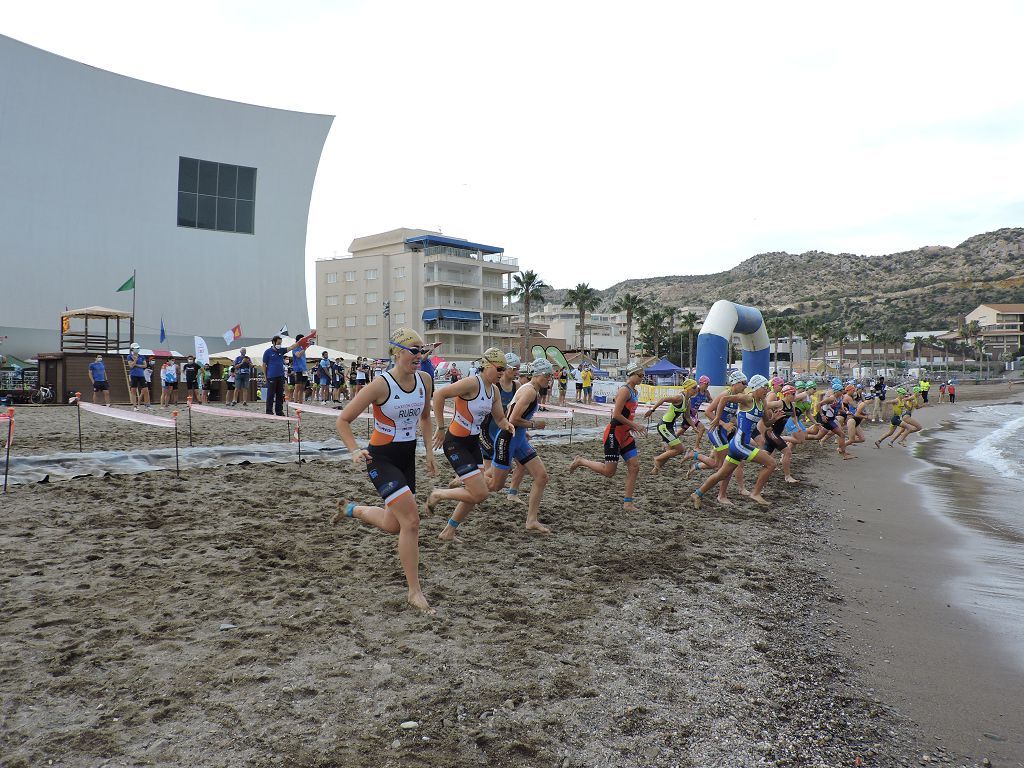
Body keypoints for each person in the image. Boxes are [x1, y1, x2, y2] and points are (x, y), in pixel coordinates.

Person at [333, 328, 437, 614]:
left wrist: (428, 452)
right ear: (397, 352)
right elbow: (343, 420)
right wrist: (354, 449)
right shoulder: (381, 385)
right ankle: (414, 591)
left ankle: (351, 510)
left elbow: (426, 418)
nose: (419, 356)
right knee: (412, 522)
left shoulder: (425, 380)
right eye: (413, 350)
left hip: (407, 457)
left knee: (395, 525)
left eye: (422, 350)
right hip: (380, 458)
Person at [424, 348, 514, 542]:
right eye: (499, 368)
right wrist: (440, 427)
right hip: (455, 443)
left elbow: (499, 418)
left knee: (476, 493)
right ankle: (438, 494)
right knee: (479, 493)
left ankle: (448, 531)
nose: (502, 372)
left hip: (473, 443)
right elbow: (438, 395)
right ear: (487, 365)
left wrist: (507, 425)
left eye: (504, 369)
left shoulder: (494, 390)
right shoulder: (472, 383)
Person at [690, 374, 781, 509]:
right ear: (756, 387)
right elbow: (724, 399)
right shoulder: (747, 398)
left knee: (722, 473)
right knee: (771, 463)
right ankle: (755, 493)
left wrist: (774, 419)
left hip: (737, 445)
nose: (767, 390)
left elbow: (766, 422)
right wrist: (718, 420)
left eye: (768, 388)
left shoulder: (763, 402)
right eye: (765, 387)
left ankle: (697, 493)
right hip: (739, 444)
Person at [568, 363, 646, 512]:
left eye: (643, 375)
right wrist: (634, 425)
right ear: (632, 374)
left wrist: (630, 426)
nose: (642, 378)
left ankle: (627, 503)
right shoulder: (624, 390)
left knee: (634, 467)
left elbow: (627, 413)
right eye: (640, 375)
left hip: (625, 434)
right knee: (609, 472)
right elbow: (616, 415)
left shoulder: (634, 391)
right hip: (614, 433)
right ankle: (580, 461)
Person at [489, 358, 554, 534]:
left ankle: (531, 520)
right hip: (508, 439)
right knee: (495, 486)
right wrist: (534, 425)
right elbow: (512, 419)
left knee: (541, 477)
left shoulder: (530, 389)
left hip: (518, 440)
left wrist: (523, 431)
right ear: (539, 374)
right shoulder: (530, 392)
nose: (550, 379)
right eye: (548, 375)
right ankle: (462, 485)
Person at [262, 335, 302, 416]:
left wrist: (301, 342)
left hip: (280, 376)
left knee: (280, 394)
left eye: (280, 343)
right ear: (273, 342)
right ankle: (269, 411)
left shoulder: (281, 350)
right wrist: (265, 376)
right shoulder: (267, 352)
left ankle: (279, 411)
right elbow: (264, 365)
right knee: (270, 394)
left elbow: (291, 347)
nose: (279, 344)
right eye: (278, 343)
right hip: (271, 376)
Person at [127, 343, 147, 410]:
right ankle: (135, 406)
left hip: (141, 375)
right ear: (132, 349)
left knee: (145, 390)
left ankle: (146, 405)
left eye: (138, 348)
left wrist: (137, 365)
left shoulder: (142, 356)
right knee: (133, 390)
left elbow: (145, 365)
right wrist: (135, 360)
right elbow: (131, 366)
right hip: (133, 374)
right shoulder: (129, 356)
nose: (138, 349)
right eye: (136, 348)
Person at [291, 335, 309, 405]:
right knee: (297, 387)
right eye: (302, 339)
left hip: (304, 370)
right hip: (298, 369)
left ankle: (301, 404)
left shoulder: (302, 347)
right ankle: (295, 403)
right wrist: (304, 348)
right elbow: (298, 355)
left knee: (302, 388)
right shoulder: (295, 347)